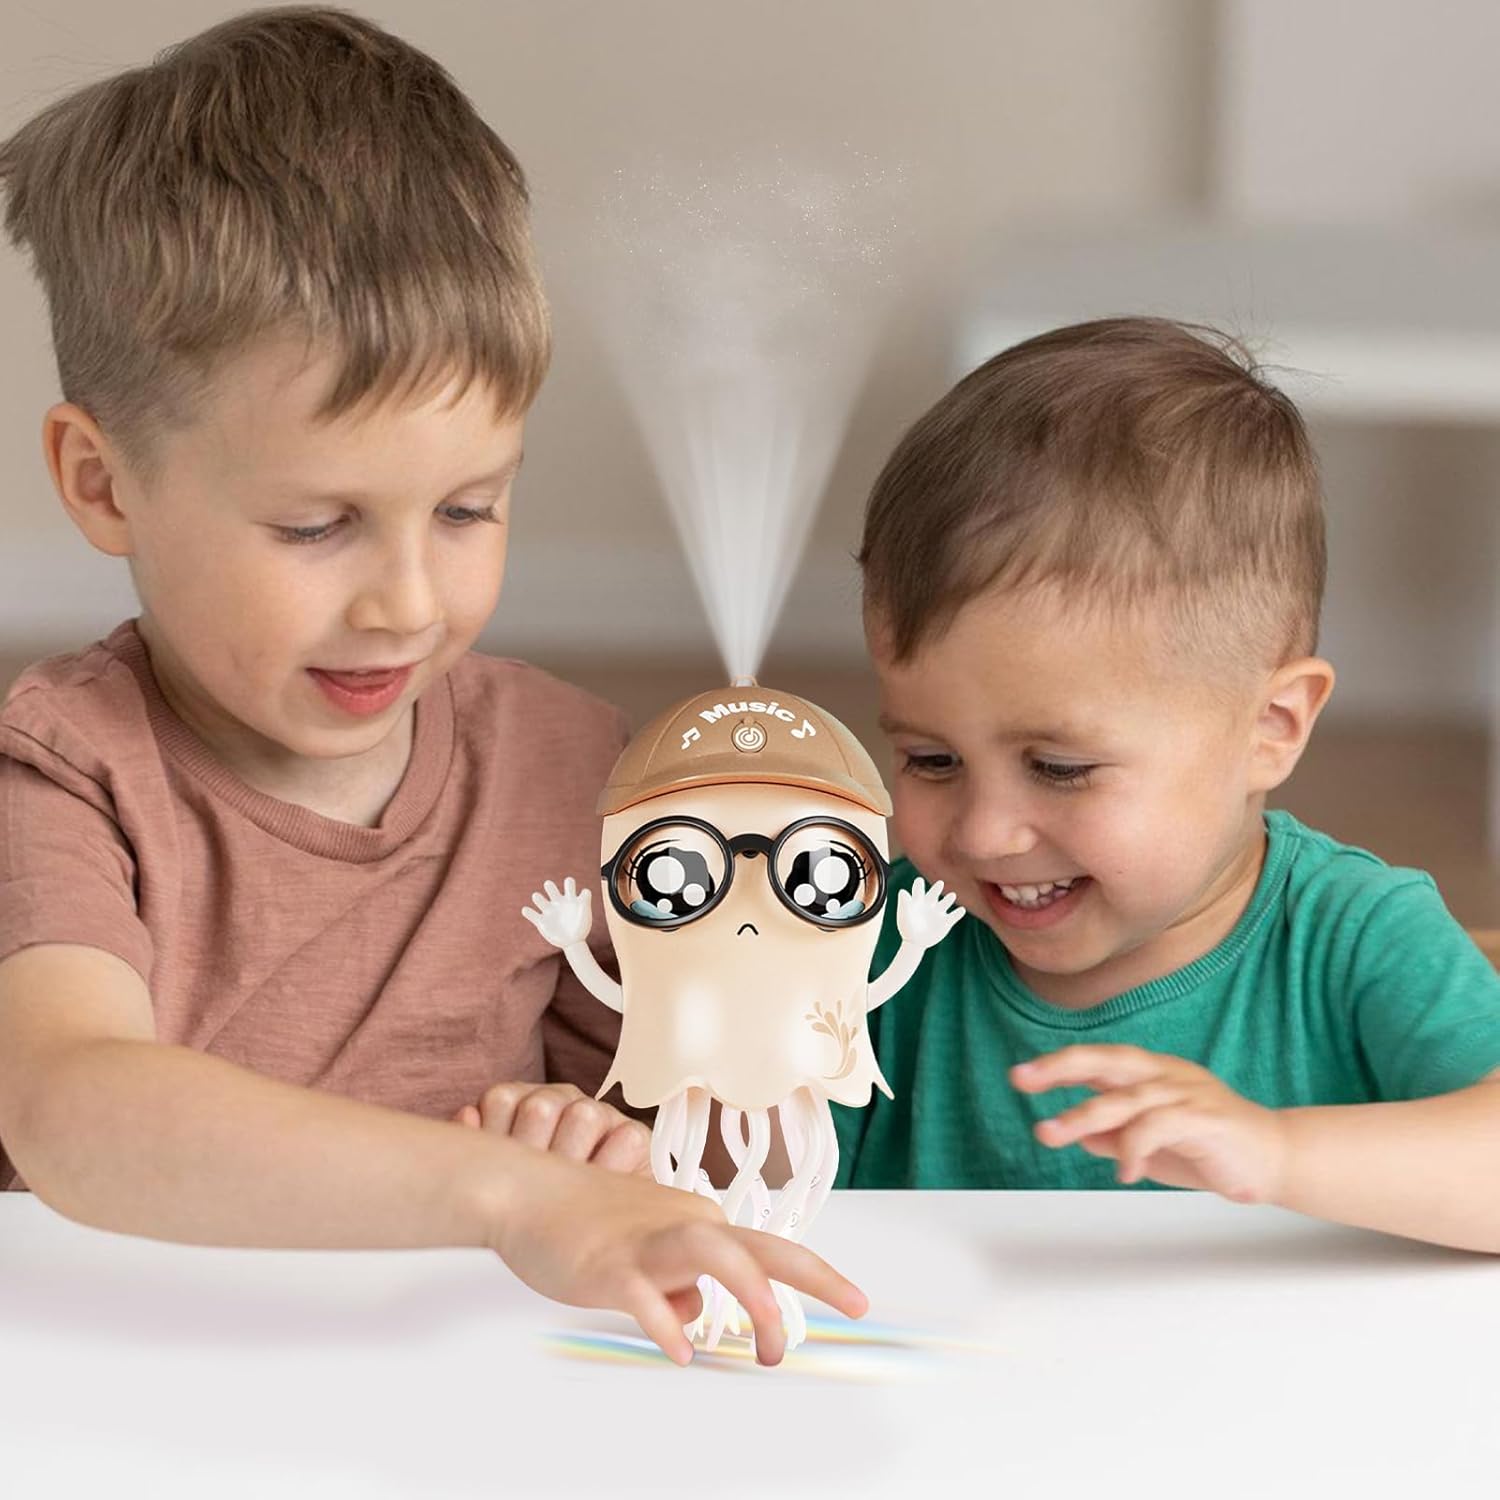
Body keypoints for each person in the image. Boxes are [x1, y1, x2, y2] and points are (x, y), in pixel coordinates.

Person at [0, 6, 864, 1365]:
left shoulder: (571, 768)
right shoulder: (64, 769)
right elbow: (71, 1112)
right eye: (316, 526)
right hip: (123, 1381)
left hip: (460, 1387)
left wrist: (611, 1139)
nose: (407, 602)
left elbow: (680, 1147)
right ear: (103, 483)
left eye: (468, 510)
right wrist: (507, 1194)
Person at [834, 316, 1500, 1253]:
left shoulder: (1357, 938)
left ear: (1271, 729)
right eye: (930, 760)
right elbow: (749, 1197)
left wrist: (1279, 1155)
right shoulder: (872, 947)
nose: (983, 833)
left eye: (1060, 768)